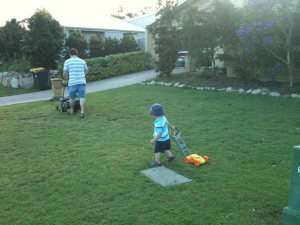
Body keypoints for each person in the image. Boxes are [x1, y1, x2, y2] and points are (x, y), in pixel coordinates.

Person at [63, 48, 88, 118]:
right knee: (82, 97)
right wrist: (83, 76)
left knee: (71, 97)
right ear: (77, 53)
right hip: (82, 81)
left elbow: (65, 72)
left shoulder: (67, 62)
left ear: (70, 54)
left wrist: (65, 80)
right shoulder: (82, 61)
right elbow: (86, 70)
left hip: (72, 82)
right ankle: (82, 112)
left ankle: (71, 111)